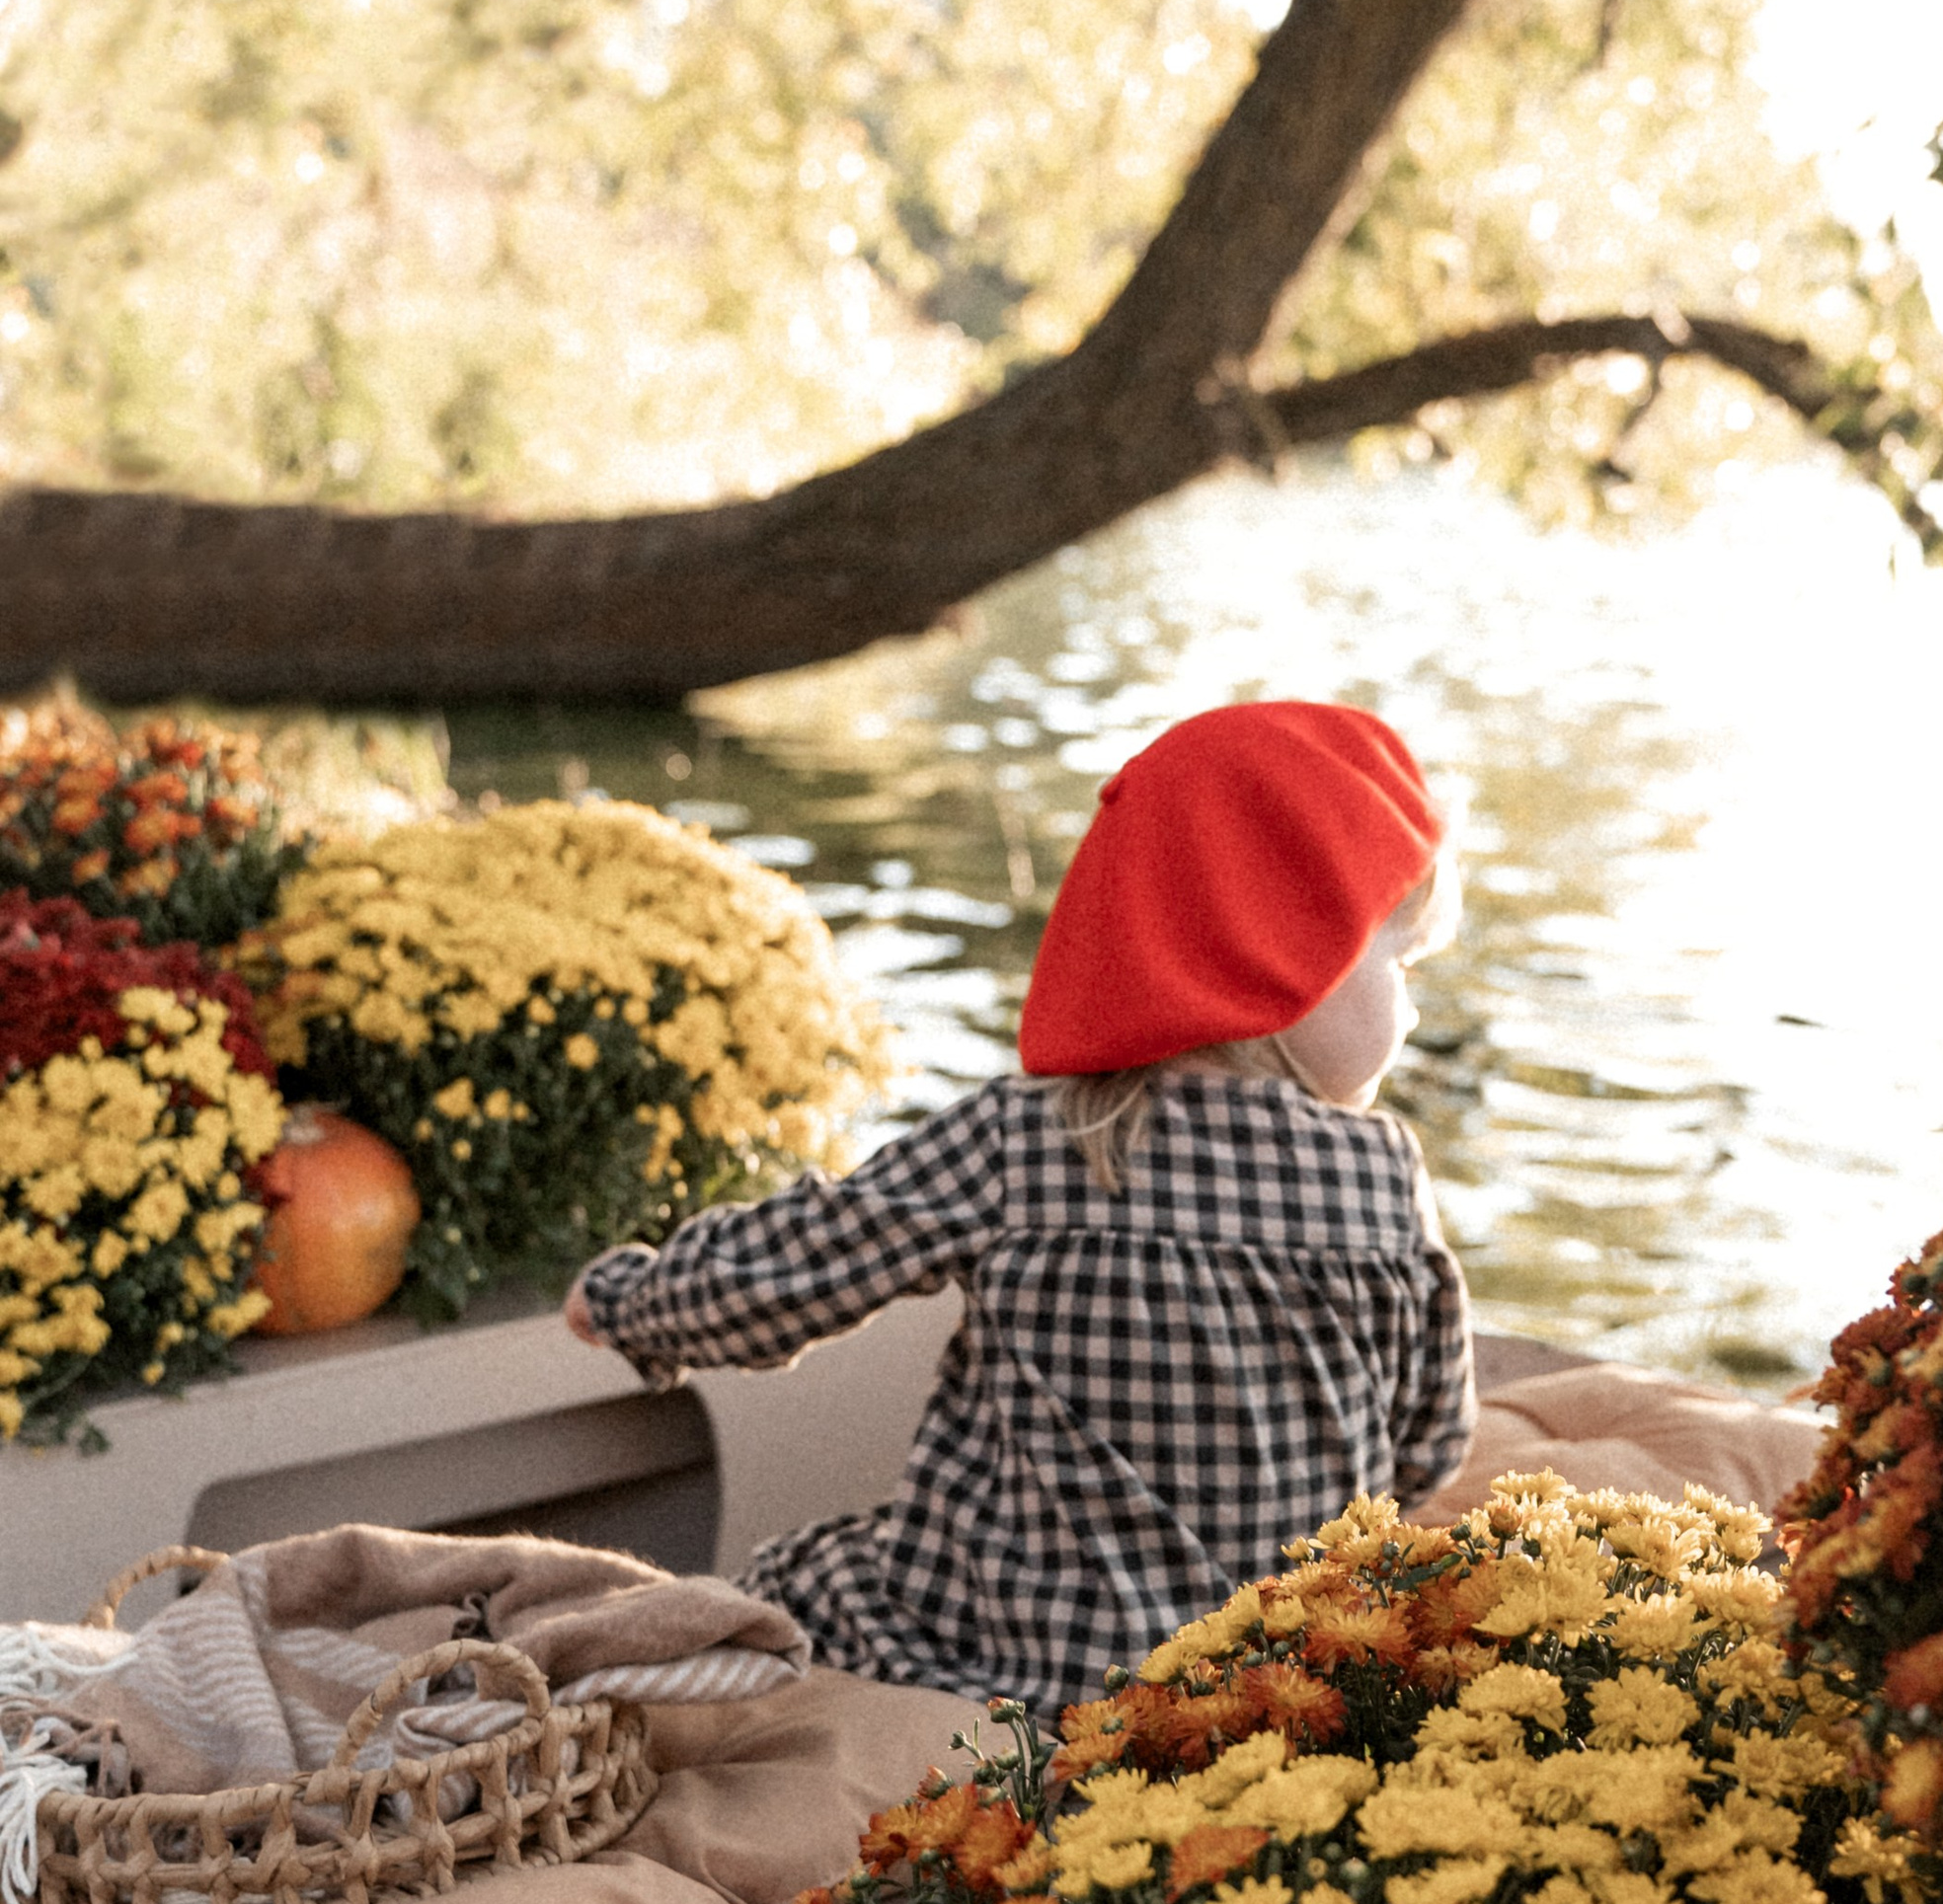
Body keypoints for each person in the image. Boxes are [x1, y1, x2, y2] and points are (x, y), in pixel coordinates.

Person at [564, 700, 1476, 1716]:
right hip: (1268, 1687)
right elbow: (1430, 1443)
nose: (1410, 1008)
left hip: (1015, 1673)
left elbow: (789, 1275)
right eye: (1398, 965)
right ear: (1283, 956)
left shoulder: (1020, 1140)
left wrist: (630, 1302)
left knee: (800, 1577)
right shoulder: (1382, 1179)